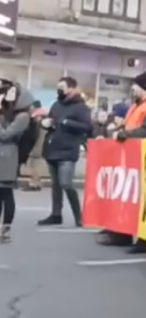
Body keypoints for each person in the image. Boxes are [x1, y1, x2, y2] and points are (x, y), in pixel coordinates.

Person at [105, 71, 146, 252]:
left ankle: (144, 240)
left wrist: (124, 135)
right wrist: (118, 129)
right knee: (128, 197)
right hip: (132, 157)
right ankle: (122, 233)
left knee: (142, 200)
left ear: (144, 87)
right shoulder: (137, 105)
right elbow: (131, 125)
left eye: (135, 85)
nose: (132, 88)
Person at [38, 77, 92, 227]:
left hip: (68, 150)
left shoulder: (80, 107)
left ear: (71, 88)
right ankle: (56, 214)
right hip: (53, 147)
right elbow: (51, 120)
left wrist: (67, 122)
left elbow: (87, 127)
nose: (59, 90)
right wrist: (45, 123)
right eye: (58, 87)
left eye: (62, 87)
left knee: (66, 183)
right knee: (55, 185)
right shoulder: (57, 104)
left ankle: (78, 216)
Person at [0, 83, 34, 242]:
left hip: (8, 157)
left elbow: (5, 135)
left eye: (12, 92)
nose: (8, 95)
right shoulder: (6, 112)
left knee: (6, 193)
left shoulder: (23, 116)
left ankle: (6, 228)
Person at [24, 101, 46, 191]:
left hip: (37, 144)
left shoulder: (37, 118)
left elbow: (34, 134)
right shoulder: (44, 117)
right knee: (36, 164)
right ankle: (37, 183)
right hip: (40, 143)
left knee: (33, 164)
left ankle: (34, 183)